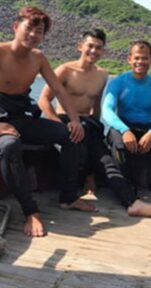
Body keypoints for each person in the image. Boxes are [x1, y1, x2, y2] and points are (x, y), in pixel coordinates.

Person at [38, 28, 151, 218]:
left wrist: (96, 134)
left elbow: (97, 108)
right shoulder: (65, 70)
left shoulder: (102, 75)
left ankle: (132, 203)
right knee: (73, 143)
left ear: (103, 51)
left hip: (88, 123)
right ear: (80, 46)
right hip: (65, 120)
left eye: (98, 48)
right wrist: (60, 127)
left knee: (106, 160)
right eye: (90, 46)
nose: (93, 51)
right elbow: (43, 100)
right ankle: (68, 197)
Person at [0, 6, 93, 237]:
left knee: (71, 136)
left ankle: (68, 197)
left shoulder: (38, 58)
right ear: (15, 27)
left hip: (22, 117)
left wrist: (74, 121)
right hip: (1, 120)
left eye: (39, 31)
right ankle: (31, 211)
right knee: (10, 147)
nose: (33, 35)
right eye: (29, 28)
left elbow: (60, 91)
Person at [101, 40, 151, 198]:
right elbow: (107, 111)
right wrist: (125, 130)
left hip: (147, 127)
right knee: (118, 145)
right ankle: (127, 183)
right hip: (123, 125)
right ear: (129, 59)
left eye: (144, 58)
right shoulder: (118, 82)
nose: (140, 62)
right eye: (136, 58)